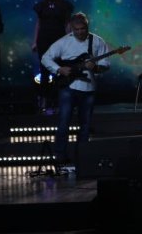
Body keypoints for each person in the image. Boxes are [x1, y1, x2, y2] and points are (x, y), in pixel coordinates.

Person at [41, 13, 110, 165]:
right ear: (71, 28)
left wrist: (96, 67)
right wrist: (59, 69)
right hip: (68, 87)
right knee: (64, 122)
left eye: (82, 29)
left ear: (87, 27)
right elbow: (45, 58)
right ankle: (60, 156)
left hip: (89, 88)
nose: (80, 32)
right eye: (76, 29)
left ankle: (82, 156)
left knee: (85, 124)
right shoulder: (64, 42)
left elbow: (106, 63)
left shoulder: (97, 41)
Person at [31, 0, 74, 113]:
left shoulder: (64, 5)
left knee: (59, 70)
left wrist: (69, 41)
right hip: (44, 40)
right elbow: (38, 23)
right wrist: (35, 41)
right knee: (44, 70)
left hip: (59, 40)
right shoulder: (41, 6)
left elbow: (67, 23)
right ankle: (44, 99)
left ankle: (59, 100)